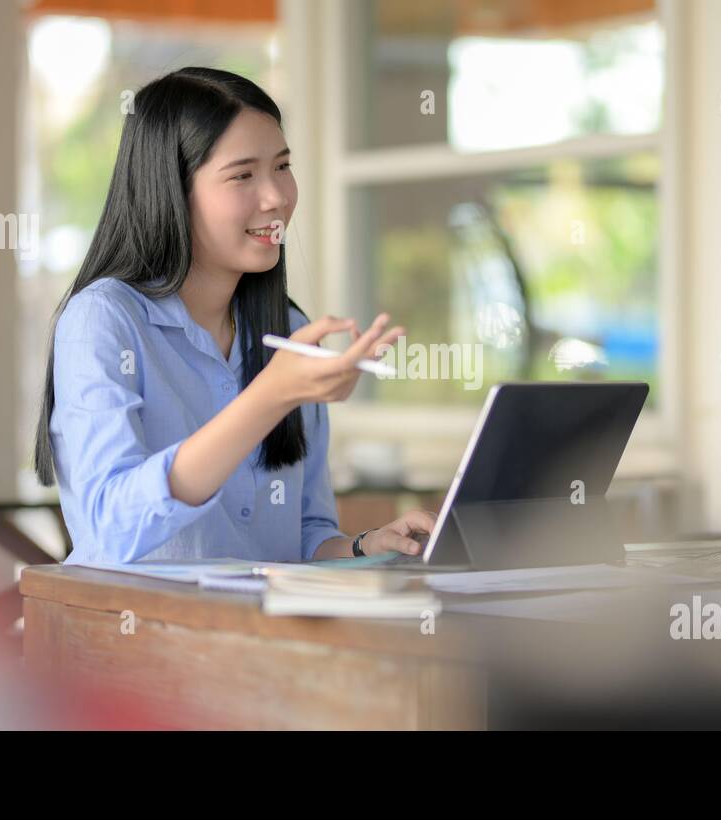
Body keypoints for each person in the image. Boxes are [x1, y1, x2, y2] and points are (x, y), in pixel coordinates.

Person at [32, 67, 434, 564]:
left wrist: (362, 547)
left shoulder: (286, 330)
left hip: (256, 635)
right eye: (243, 175)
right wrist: (270, 396)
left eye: (282, 167)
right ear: (171, 190)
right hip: (132, 631)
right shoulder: (103, 320)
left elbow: (302, 537)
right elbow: (111, 527)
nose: (277, 197)